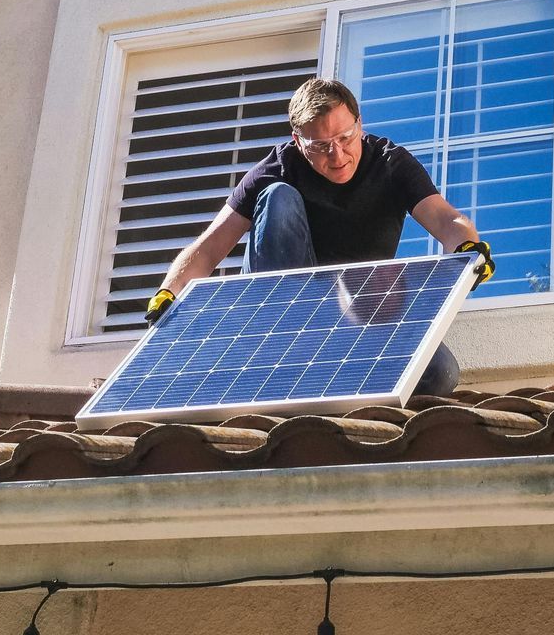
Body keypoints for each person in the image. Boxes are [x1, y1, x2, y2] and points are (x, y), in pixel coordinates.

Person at [145, 77, 493, 396]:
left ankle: (336, 378)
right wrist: (169, 293)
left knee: (440, 373)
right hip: (280, 314)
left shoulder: (390, 164)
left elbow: (446, 219)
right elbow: (209, 247)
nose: (338, 155)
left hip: (355, 316)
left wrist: (467, 248)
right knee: (278, 197)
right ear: (298, 141)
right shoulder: (275, 169)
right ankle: (280, 347)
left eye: (345, 138)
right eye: (321, 146)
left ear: (360, 124)